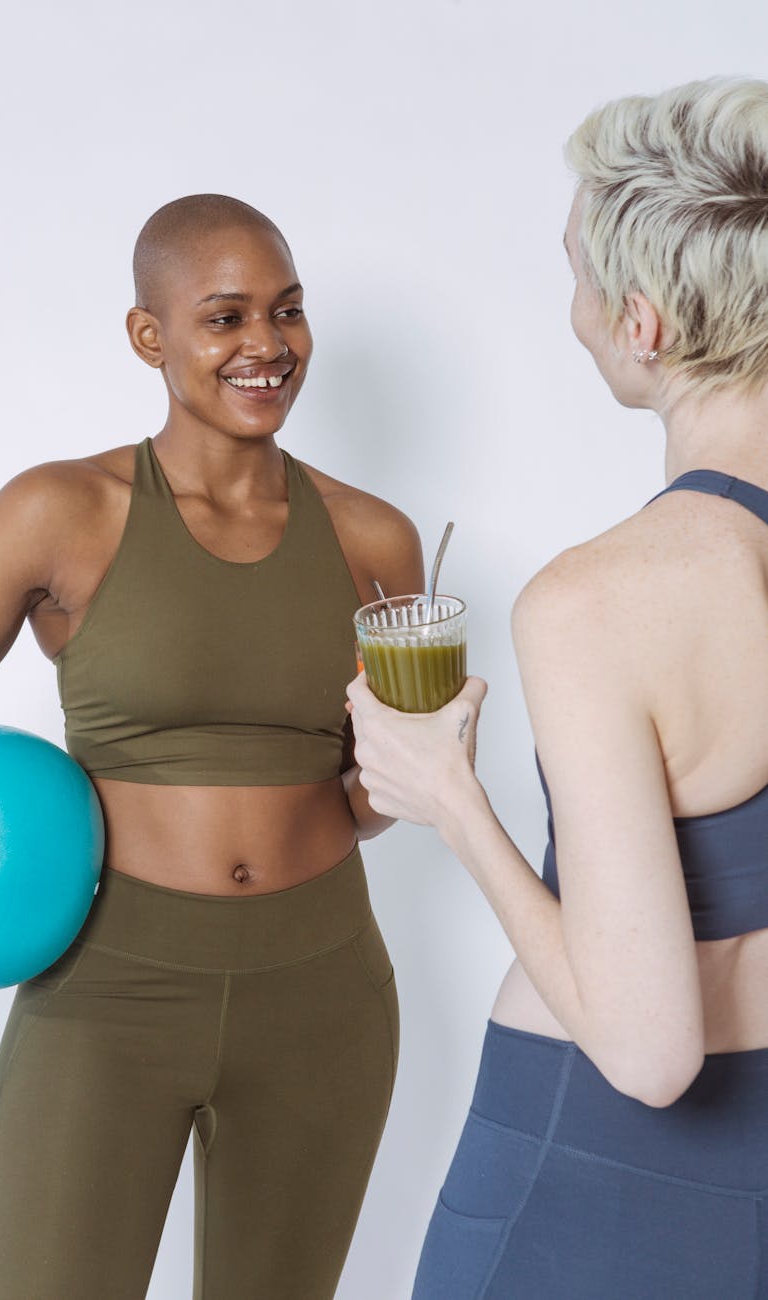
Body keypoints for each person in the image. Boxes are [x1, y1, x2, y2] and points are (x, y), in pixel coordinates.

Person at [0, 194, 423, 1299]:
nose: (267, 346)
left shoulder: (375, 538)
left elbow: (368, 798)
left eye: (287, 313)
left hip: (322, 989)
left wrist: (416, 759)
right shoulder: (61, 511)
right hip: (107, 987)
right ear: (150, 337)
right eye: (225, 317)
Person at [348, 78, 768, 1298]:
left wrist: (447, 797)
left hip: (591, 1171)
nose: (572, 310)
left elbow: (650, 1050)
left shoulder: (600, 598)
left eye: (579, 275)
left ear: (642, 324)